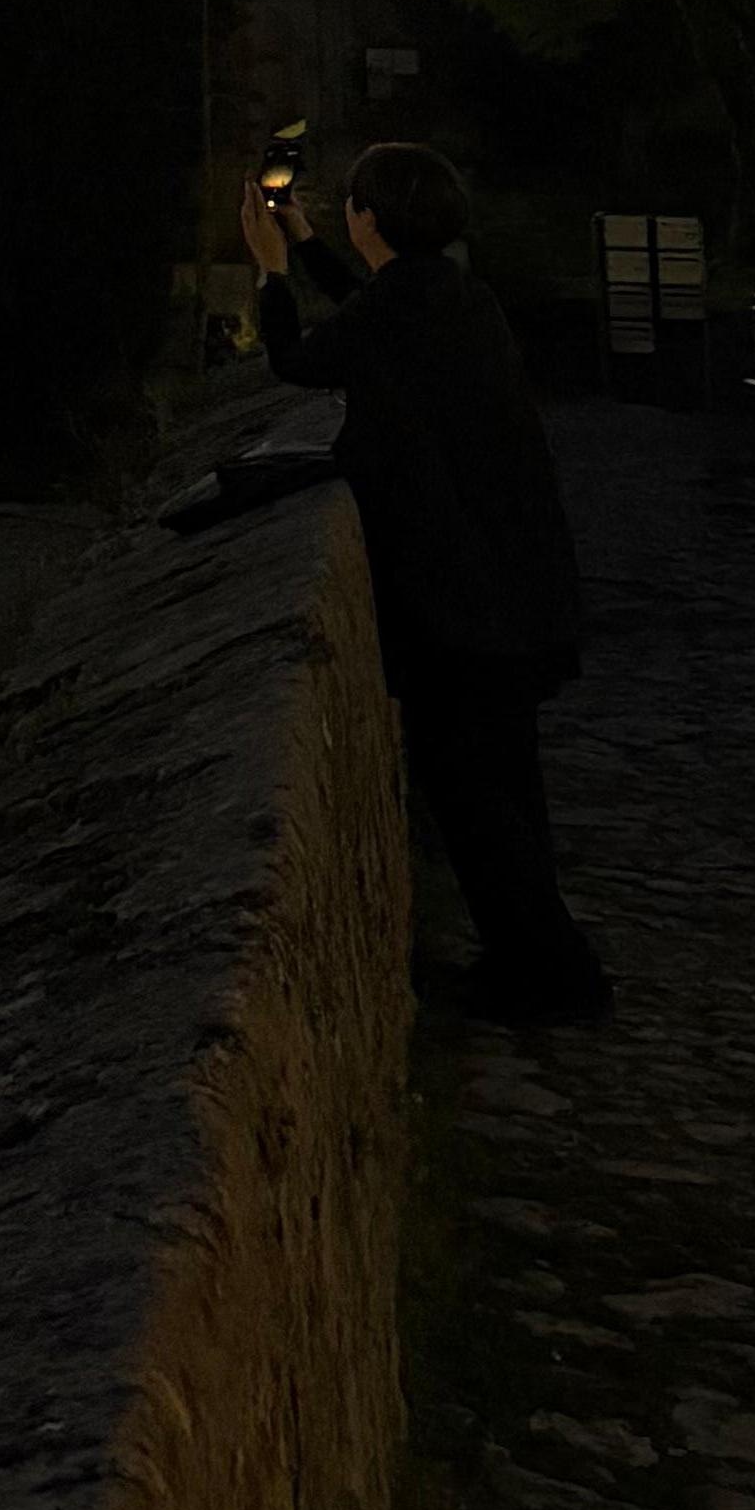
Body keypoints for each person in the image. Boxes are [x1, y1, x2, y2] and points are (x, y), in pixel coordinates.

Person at [240, 136, 607, 1024]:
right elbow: (374, 311)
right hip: (514, 588)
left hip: (460, 604)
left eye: (351, 205)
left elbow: (302, 358)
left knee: (473, 797)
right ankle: (533, 964)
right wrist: (312, 242)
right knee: (509, 788)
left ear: (370, 217)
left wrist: (270, 268)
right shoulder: (455, 292)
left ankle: (554, 978)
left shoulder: (401, 310)